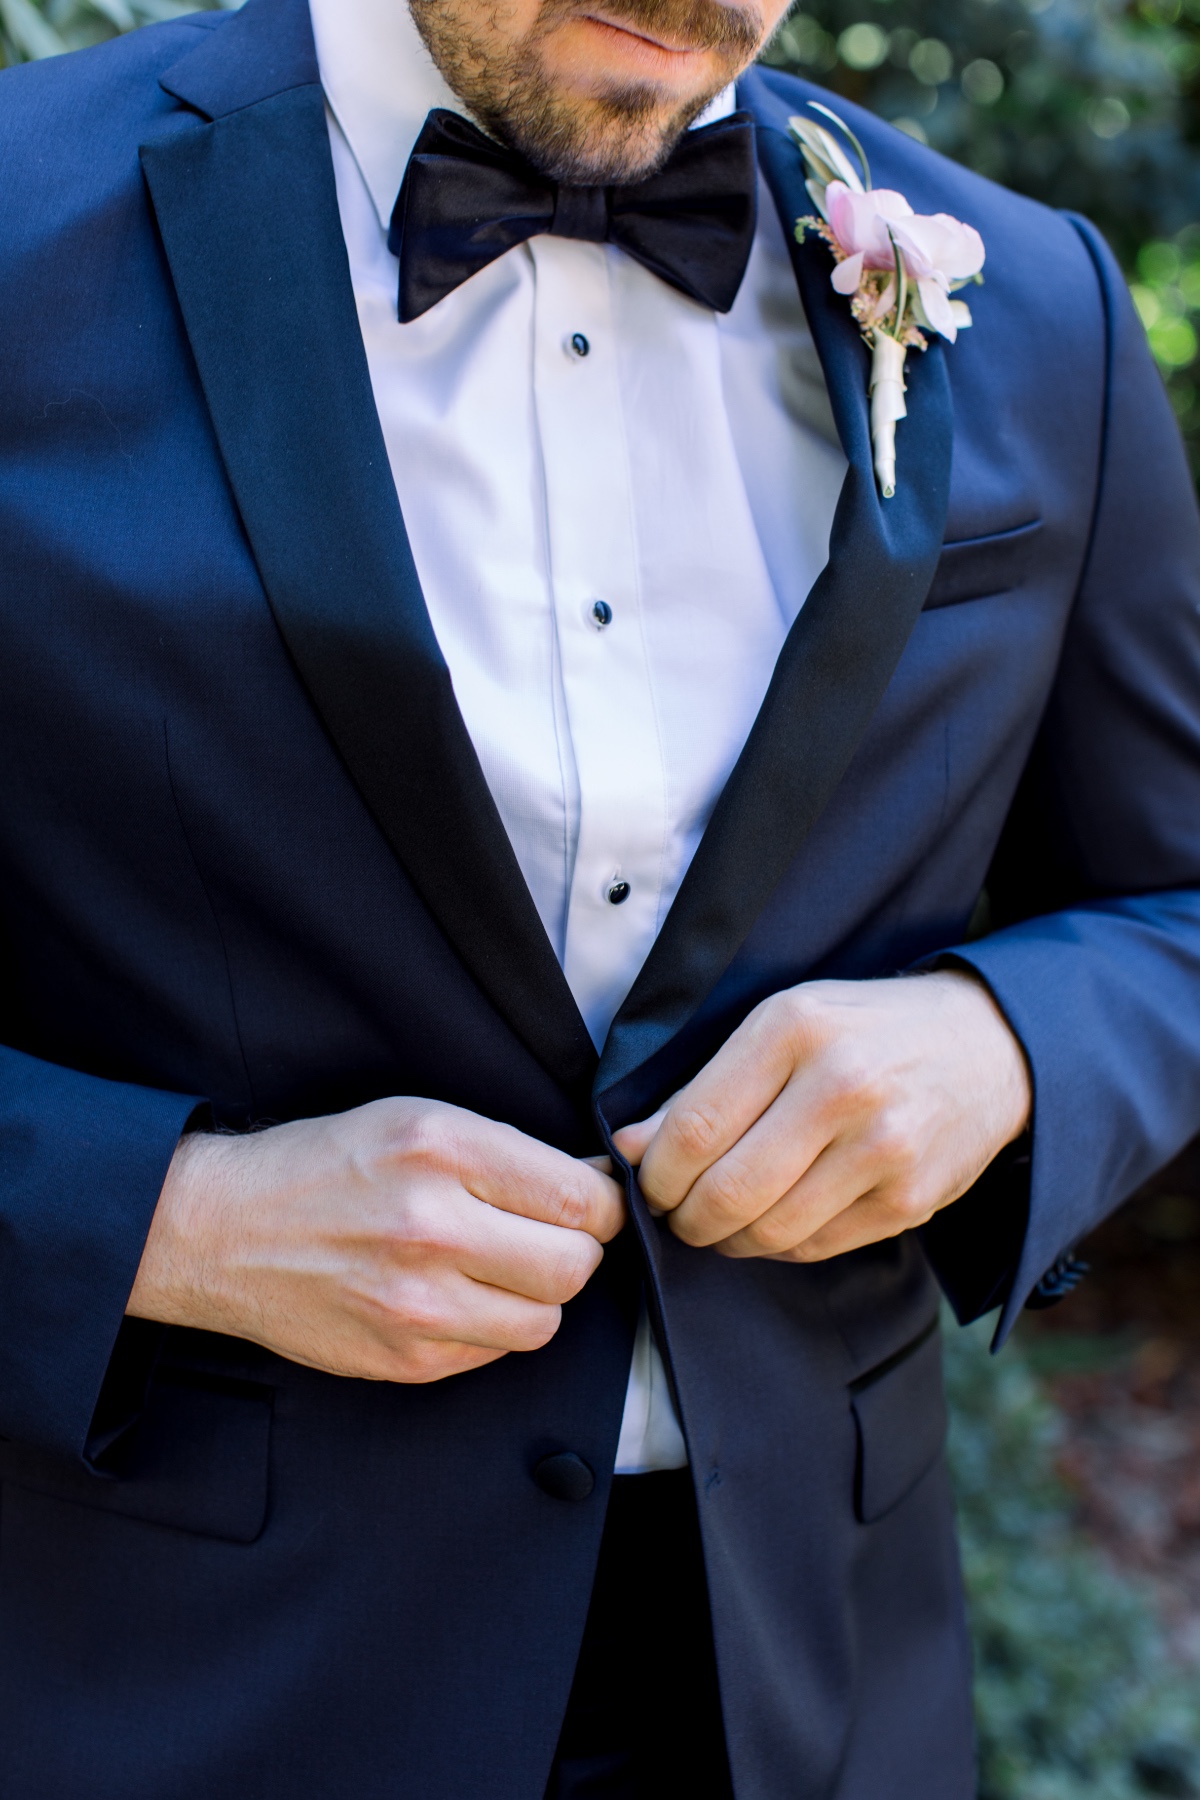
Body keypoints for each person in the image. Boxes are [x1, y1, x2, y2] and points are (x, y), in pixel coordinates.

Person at [0, 0, 1198, 1791]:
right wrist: (175, 1225)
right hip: (166, 1680)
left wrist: (1006, 1049)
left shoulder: (1031, 302)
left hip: (812, 1688)